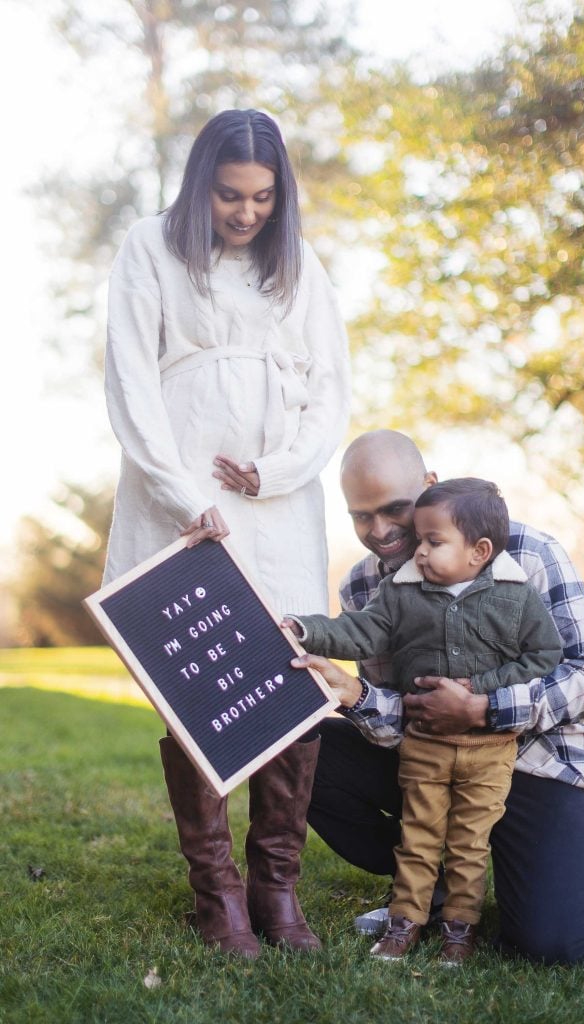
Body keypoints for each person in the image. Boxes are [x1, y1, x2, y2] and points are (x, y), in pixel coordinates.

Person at [103, 109, 350, 958]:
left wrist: (281, 469)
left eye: (261, 197)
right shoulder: (151, 246)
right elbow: (131, 374)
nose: (245, 213)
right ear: (199, 184)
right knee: (197, 678)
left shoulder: (299, 264)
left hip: (277, 497)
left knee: (289, 671)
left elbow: (330, 389)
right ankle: (218, 898)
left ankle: (276, 887)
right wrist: (177, 492)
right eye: (228, 195)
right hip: (187, 489)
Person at [291, 430, 584, 966]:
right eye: (361, 516)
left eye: (394, 509)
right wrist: (356, 695)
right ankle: (428, 886)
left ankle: (493, 872)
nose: (379, 531)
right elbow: (404, 718)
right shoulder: (364, 585)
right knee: (302, 747)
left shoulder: (528, 553)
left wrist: (486, 709)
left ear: (429, 486)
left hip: (543, 763)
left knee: (552, 946)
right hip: (432, 764)